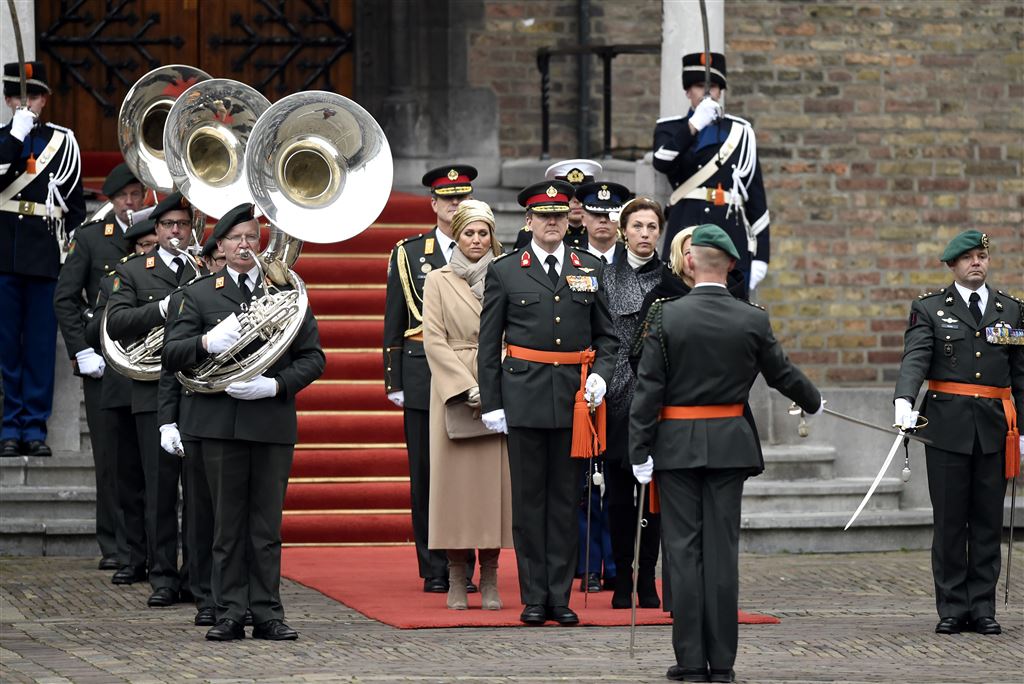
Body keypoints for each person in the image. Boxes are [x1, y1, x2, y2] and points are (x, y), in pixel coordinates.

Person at [630, 224, 822, 682]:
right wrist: (813, 400)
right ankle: (722, 663)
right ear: (732, 266)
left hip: (676, 445)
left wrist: (638, 449)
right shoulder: (751, 318)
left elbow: (648, 389)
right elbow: (782, 373)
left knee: (683, 552)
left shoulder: (666, 315)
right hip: (728, 445)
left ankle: (691, 661)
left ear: (690, 261)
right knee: (721, 553)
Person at [163, 203, 325, 641]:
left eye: (252, 237)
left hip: (269, 421)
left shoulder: (285, 292)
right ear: (220, 245)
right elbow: (171, 355)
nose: (244, 245)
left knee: (266, 527)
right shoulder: (199, 294)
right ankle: (230, 612)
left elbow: (313, 358)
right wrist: (205, 341)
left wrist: (274, 386)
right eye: (235, 238)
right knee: (226, 526)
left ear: (261, 242)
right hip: (216, 425)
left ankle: (268, 612)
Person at [478, 180, 618, 626]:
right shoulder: (506, 270)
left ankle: (560, 596)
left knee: (565, 501)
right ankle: (534, 596)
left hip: (574, 400)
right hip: (524, 397)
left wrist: (601, 375)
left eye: (558, 215)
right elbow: (488, 344)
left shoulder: (589, 267)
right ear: (529, 221)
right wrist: (492, 402)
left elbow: (608, 337)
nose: (552, 222)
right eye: (544, 216)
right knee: (528, 503)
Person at [893, 230, 1022, 637]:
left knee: (987, 522)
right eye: (967, 257)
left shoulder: (1011, 310)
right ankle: (951, 606)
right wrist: (904, 399)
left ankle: (982, 607)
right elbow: (916, 358)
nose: (976, 262)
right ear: (952, 265)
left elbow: (1020, 376)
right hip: (946, 429)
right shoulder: (930, 308)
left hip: (995, 429)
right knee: (949, 522)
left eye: (982, 255)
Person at [383, 165, 478, 594]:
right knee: (425, 475)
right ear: (434, 204)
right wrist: (395, 379)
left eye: (462, 198)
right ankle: (434, 567)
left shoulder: (483, 248)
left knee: (469, 475)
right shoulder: (409, 252)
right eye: (448, 198)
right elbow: (395, 317)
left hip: (471, 371)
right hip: (423, 371)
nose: (455, 205)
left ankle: (466, 565)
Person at [105, 192, 203, 608]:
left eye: (182, 224)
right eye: (168, 225)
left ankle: (195, 578)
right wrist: (162, 308)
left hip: (197, 391)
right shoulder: (132, 271)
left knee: (198, 495)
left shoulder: (204, 269)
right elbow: (116, 323)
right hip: (151, 394)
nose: (176, 231)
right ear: (157, 230)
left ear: (192, 229)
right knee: (160, 490)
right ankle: (163, 576)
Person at [422, 199, 513, 611]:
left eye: (483, 233)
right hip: (452, 387)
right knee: (454, 491)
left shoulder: (508, 274)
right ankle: (457, 575)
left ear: (492, 237)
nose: (476, 240)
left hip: (498, 384)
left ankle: (490, 575)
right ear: (456, 236)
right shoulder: (437, 279)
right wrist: (464, 386)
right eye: (468, 233)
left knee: (492, 491)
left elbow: (516, 332)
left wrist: (494, 383)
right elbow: (433, 339)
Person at [54, 162, 145, 569]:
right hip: (104, 362)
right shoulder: (91, 237)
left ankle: (145, 545)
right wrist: (81, 351)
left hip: (146, 359)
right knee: (109, 456)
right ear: (111, 200)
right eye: (124, 196)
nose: (131, 202)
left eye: (136, 195)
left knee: (143, 457)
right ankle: (114, 544)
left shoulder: (153, 235)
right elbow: (66, 298)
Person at [1, 61, 85, 457]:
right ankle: (9, 427)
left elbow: (75, 210)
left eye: (33, 96)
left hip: (46, 258)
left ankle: (34, 427)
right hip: (4, 256)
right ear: (8, 100)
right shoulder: (4, 140)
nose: (27, 103)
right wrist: (14, 136)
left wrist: (72, 261)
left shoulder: (64, 143)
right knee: (7, 349)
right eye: (19, 96)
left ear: (44, 100)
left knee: (38, 348)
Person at [598, 197, 670, 610]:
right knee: (619, 496)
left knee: (653, 497)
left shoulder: (670, 278)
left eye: (652, 227)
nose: (645, 234)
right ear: (623, 231)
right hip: (616, 395)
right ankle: (621, 576)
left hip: (657, 397)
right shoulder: (605, 277)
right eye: (637, 226)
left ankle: (647, 576)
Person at [652, 52, 769, 298]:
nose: (707, 93)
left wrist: (762, 255)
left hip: (729, 229)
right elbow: (661, 161)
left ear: (720, 92)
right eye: (698, 86)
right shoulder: (670, 128)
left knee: (732, 309)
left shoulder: (741, 132)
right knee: (677, 300)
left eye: (713, 87)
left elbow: (755, 196)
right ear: (688, 92)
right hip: (685, 228)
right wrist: (694, 125)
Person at [156, 237, 226, 628]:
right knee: (200, 513)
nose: (225, 264)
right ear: (207, 261)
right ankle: (204, 593)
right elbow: (172, 366)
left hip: (240, 413)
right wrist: (168, 420)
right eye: (218, 259)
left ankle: (232, 590)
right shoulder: (192, 296)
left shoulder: (258, 293)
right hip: (197, 414)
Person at [87, 219, 158, 587]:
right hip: (122, 391)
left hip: (158, 389)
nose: (150, 252)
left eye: (154, 245)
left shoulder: (176, 277)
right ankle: (132, 556)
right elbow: (94, 329)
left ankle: (163, 561)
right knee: (127, 480)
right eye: (144, 246)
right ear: (133, 249)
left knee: (160, 482)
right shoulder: (114, 280)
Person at [573, 179, 634, 595]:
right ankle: (588, 564)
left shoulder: (632, 265)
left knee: (616, 481)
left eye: (612, 216)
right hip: (581, 380)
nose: (603, 223)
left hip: (624, 383)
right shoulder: (572, 260)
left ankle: (615, 564)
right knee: (584, 481)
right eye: (596, 215)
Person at [513, 159, 602, 250]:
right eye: (571, 196)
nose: (577, 201)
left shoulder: (602, 231)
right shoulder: (531, 234)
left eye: (582, 195)